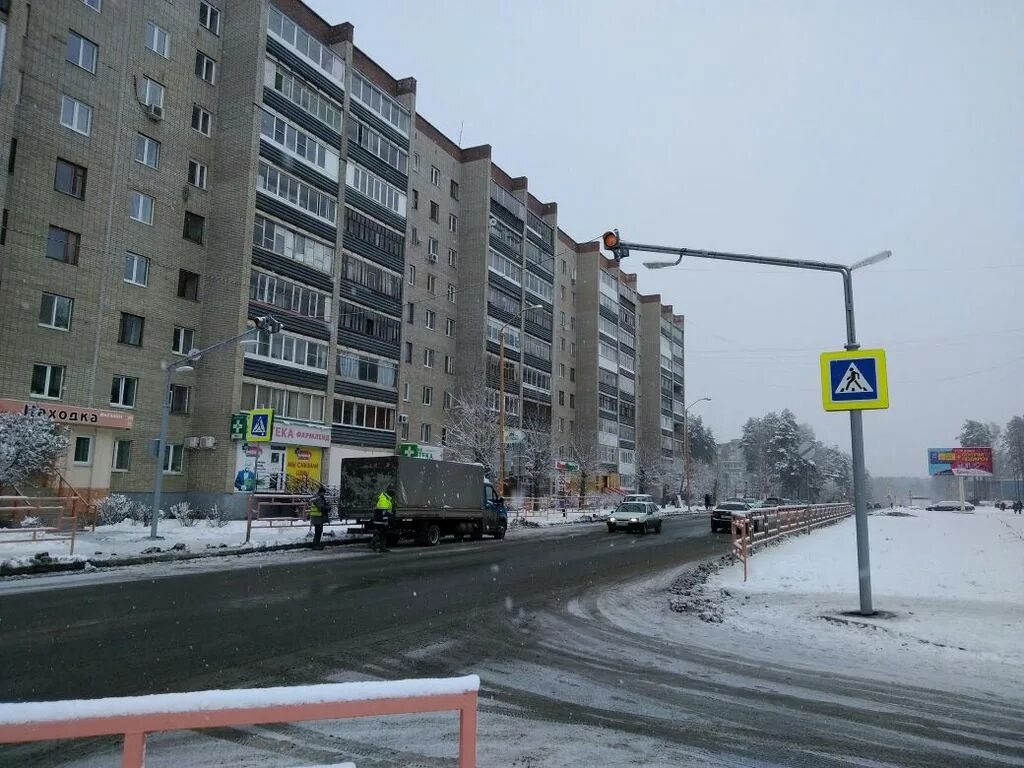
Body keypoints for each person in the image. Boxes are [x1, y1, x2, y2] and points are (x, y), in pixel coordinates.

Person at [308, 485, 329, 550]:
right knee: (318, 532)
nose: (324, 494)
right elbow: (321, 508)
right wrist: (328, 507)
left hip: (316, 517)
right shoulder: (318, 498)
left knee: (318, 531)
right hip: (318, 517)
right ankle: (316, 545)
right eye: (323, 493)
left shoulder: (316, 498)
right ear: (321, 492)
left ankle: (316, 544)